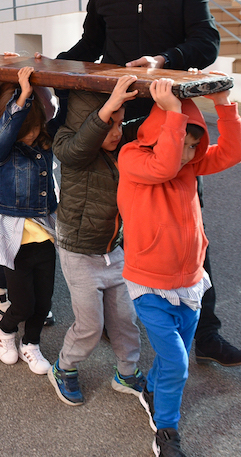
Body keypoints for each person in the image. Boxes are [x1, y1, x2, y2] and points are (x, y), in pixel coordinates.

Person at [61, 0, 241, 368]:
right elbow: (91, 45)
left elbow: (205, 41)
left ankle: (205, 331)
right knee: (113, 217)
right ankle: (114, 318)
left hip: (173, 119)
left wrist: (166, 59)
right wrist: (48, 65)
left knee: (186, 223)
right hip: (120, 117)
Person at [117, 79, 241, 457]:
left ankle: (152, 389)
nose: (191, 154)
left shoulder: (187, 162)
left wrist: (224, 105)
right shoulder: (133, 157)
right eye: (185, 143)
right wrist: (173, 114)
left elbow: (233, 153)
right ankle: (167, 432)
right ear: (161, 131)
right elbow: (163, 165)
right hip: (149, 285)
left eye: (195, 145)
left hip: (190, 283)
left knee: (173, 359)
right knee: (177, 361)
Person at [47, 75, 146, 406]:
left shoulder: (120, 144)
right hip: (78, 251)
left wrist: (175, 94)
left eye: (120, 123)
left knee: (125, 319)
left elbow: (152, 125)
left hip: (112, 249)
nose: (117, 132)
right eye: (109, 124)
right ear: (88, 122)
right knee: (90, 325)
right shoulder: (68, 142)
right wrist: (105, 112)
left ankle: (127, 372)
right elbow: (78, 149)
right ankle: (65, 367)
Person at [0, 66, 57, 377]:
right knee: (23, 304)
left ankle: (32, 343)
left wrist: (35, 87)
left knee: (43, 303)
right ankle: (5, 327)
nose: (33, 135)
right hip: (16, 241)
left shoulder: (43, 146)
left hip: (46, 238)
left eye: (36, 128)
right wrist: (21, 98)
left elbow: (55, 113)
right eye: (26, 129)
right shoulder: (3, 152)